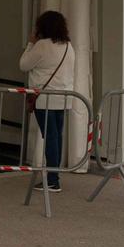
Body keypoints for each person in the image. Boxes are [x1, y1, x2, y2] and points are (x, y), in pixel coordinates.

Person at [20, 10, 78, 191]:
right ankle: (54, 175)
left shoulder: (42, 46)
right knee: (56, 136)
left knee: (50, 136)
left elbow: (23, 65)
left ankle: (53, 179)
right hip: (64, 97)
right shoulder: (69, 46)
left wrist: (30, 44)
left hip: (44, 98)